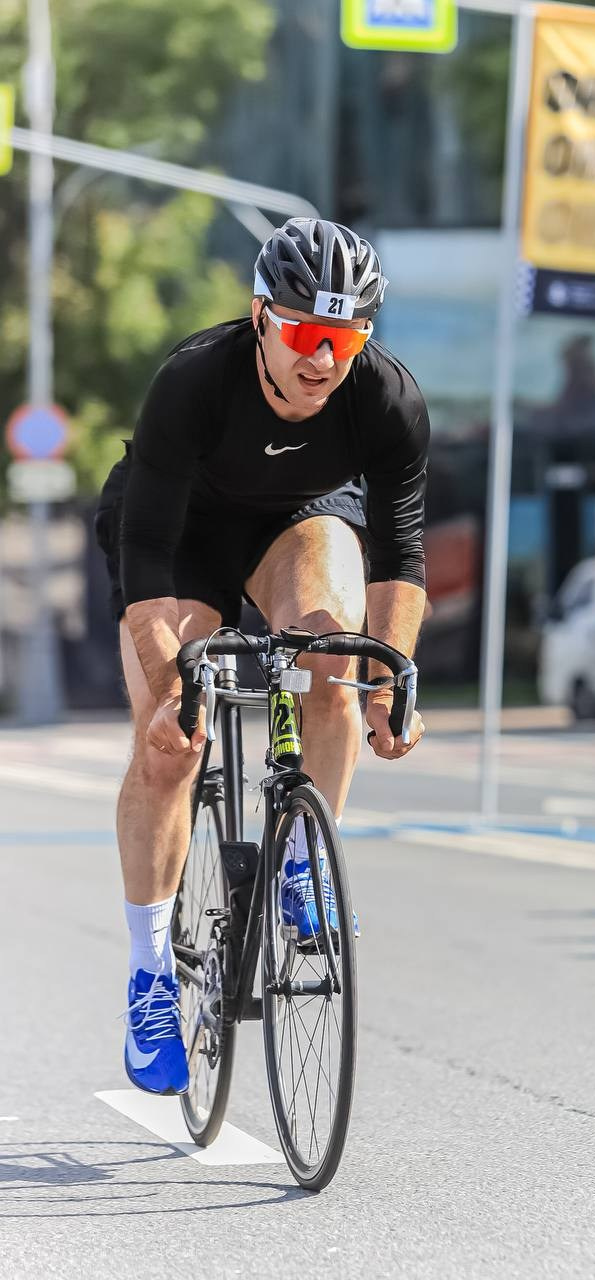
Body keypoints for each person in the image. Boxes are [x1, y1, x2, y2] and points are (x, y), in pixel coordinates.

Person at [95, 218, 428, 1095]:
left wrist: (390, 677)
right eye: (305, 335)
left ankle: (300, 865)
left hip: (296, 518)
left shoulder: (387, 399)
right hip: (176, 537)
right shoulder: (194, 380)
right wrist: (170, 688)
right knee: (172, 746)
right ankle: (148, 972)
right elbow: (145, 558)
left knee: (337, 661)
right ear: (260, 319)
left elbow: (400, 557)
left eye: (346, 337)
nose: (323, 358)